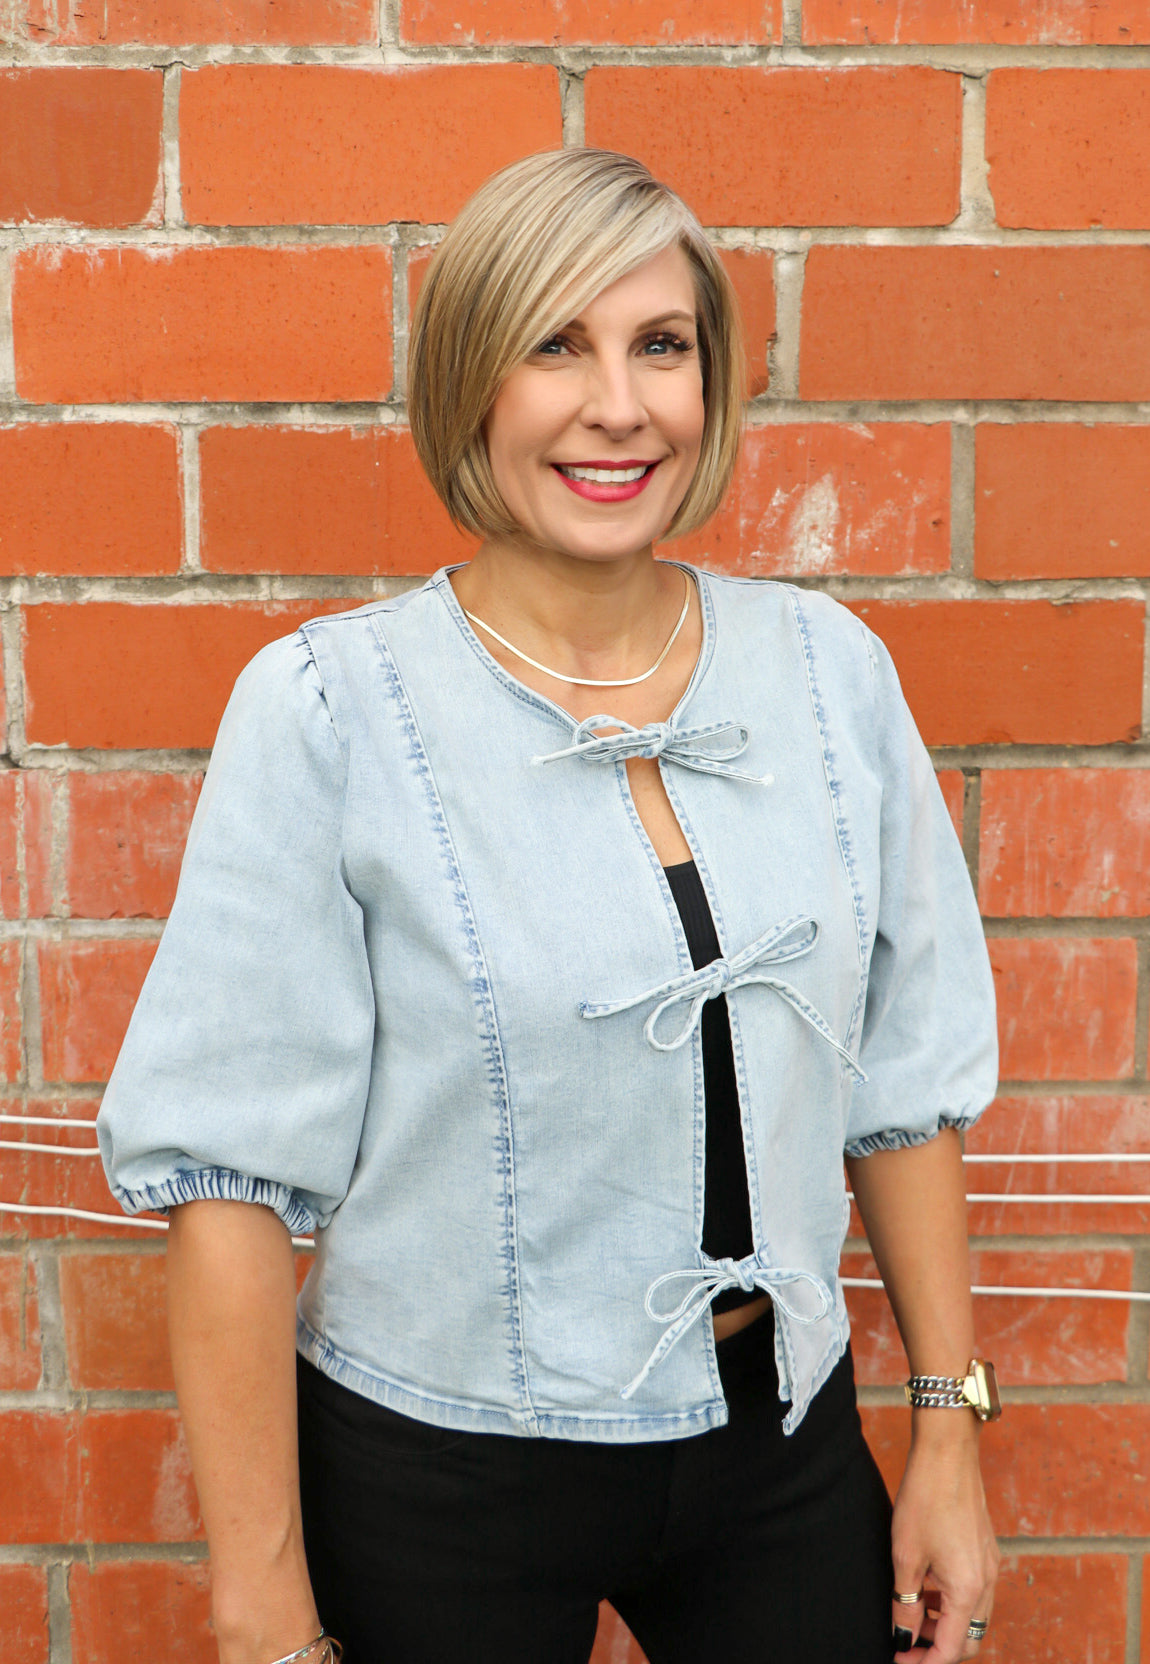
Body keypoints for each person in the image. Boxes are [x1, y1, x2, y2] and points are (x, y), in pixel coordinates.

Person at [97, 148, 1001, 1664]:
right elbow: (229, 1187)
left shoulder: (826, 671)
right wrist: (261, 1612)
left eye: (660, 345)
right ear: (470, 386)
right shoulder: (332, 711)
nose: (618, 407)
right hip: (437, 1467)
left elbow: (900, 1091)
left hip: (774, 1437)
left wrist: (947, 1431)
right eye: (553, 346)